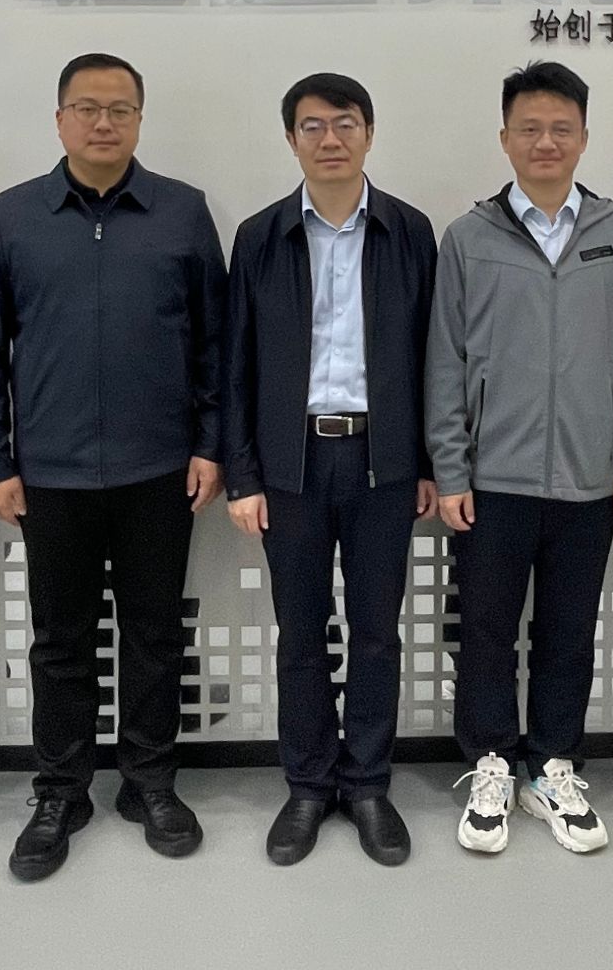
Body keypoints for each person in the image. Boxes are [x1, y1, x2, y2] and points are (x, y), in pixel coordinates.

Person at [0, 53, 228, 882]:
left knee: (154, 635)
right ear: (60, 120)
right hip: (51, 474)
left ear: (140, 119)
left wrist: (210, 443)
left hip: (159, 470)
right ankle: (60, 792)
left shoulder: (182, 212)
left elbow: (216, 341)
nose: (103, 123)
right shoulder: (13, 217)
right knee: (60, 641)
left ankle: (150, 782)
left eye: (120, 109)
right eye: (87, 108)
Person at [424, 60, 613, 856]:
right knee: (485, 629)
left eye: (562, 128)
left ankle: (553, 766)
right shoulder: (468, 238)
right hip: (492, 480)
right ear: (505, 138)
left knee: (567, 629)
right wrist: (450, 469)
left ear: (584, 137)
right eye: (530, 128)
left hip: (590, 479)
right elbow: (445, 363)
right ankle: (491, 762)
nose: (546, 142)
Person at [223, 73, 439, 867]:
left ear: (369, 133)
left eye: (345, 123)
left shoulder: (409, 231)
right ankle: (309, 785)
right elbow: (236, 363)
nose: (330, 139)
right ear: (291, 140)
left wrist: (428, 462)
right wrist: (244, 475)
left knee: (378, 632)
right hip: (293, 463)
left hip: (385, 462)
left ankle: (369, 783)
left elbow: (434, 355)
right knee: (301, 633)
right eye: (312, 126)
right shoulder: (260, 236)